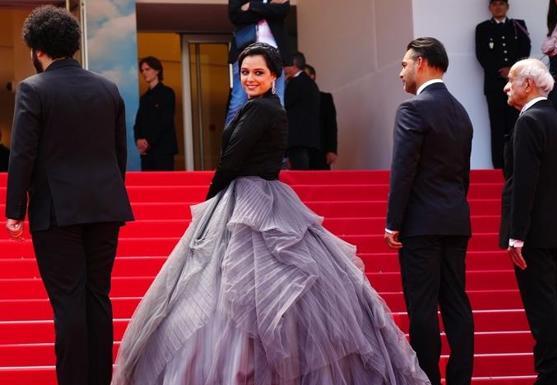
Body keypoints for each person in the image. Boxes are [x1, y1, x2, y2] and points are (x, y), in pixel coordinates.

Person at [112, 42, 431, 385]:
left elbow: (231, 160)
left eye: (258, 72)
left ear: (275, 76)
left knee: (248, 290)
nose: (249, 78)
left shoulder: (262, 110)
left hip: (251, 198)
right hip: (257, 196)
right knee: (246, 290)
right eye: (245, 72)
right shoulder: (261, 107)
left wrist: (209, 204)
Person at [4, 6, 134, 385]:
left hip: (57, 213)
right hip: (105, 208)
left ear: (37, 49)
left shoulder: (33, 88)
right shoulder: (108, 88)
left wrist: (15, 210)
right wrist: (108, 195)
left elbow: (22, 153)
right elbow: (117, 154)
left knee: (68, 304)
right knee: (97, 298)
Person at [385, 37, 474, 385]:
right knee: (456, 304)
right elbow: (462, 174)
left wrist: (394, 221)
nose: (401, 72)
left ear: (421, 63)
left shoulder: (413, 109)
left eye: (404, 64)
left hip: (421, 225)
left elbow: (403, 169)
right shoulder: (461, 111)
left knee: (422, 309)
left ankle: (426, 380)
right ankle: (459, 380)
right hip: (454, 219)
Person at [500, 58, 557, 385]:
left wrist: (517, 235)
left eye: (512, 80)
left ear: (528, 85)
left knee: (543, 309)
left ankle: (550, 376)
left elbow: (525, 183)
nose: (506, 86)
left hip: (536, 234)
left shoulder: (529, 121)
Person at [475, 0, 531, 169]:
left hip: (517, 85)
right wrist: (500, 71)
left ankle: (516, 166)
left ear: (507, 6)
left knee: (516, 125)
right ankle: (498, 167)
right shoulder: (483, 28)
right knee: (497, 127)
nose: (498, 7)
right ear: (490, 7)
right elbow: (482, 55)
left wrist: (512, 71)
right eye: (494, 4)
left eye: (501, 3)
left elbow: (525, 49)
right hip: (494, 87)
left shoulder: (518, 25)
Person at [226, 0, 291, 126]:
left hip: (275, 56)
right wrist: (268, 8)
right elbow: (235, 16)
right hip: (245, 54)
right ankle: (232, 143)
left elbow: (282, 11)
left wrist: (252, 6)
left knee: (278, 103)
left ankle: (275, 144)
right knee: (238, 103)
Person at [134, 56, 178, 171]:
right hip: (147, 153)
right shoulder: (144, 97)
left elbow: (165, 121)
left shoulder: (167, 93)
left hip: (163, 150)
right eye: (142, 70)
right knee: (148, 186)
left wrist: (148, 141)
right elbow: (138, 123)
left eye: (147, 69)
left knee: (165, 186)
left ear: (157, 70)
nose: (144, 73)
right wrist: (138, 140)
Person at [284, 51, 321, 170]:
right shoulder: (308, 82)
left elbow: (285, 103)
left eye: (285, 64)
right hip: (307, 135)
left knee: (300, 170)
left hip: (297, 135)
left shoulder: (296, 83)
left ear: (293, 65)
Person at [303, 64, 338, 170]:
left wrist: (332, 150)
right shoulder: (292, 99)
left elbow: (331, 125)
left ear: (312, 76)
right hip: (301, 150)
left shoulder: (325, 98)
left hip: (321, 149)